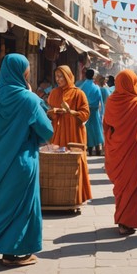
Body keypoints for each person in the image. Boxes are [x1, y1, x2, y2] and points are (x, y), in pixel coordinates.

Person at [0, 53, 54, 267]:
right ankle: (13, 254)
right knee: (21, 209)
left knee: (0, 207)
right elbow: (46, 131)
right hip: (22, 163)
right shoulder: (29, 99)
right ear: (22, 73)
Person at [103, 70, 137, 235]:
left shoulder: (111, 102)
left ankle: (122, 218)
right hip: (135, 149)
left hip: (117, 150)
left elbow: (106, 125)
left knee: (122, 187)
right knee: (134, 186)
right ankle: (128, 221)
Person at [47, 65, 92, 205]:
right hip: (58, 132)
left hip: (74, 133)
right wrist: (54, 112)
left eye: (61, 76)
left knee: (75, 163)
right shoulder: (54, 93)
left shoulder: (78, 93)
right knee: (57, 163)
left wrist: (71, 112)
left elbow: (85, 114)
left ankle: (77, 195)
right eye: (57, 77)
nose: (58, 79)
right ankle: (57, 196)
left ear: (68, 76)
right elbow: (49, 112)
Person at [78, 68, 104, 156]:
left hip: (85, 111)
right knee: (97, 130)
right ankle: (98, 150)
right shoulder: (96, 87)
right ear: (93, 76)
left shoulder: (81, 86)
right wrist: (101, 113)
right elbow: (100, 102)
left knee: (87, 130)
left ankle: (89, 150)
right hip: (95, 111)